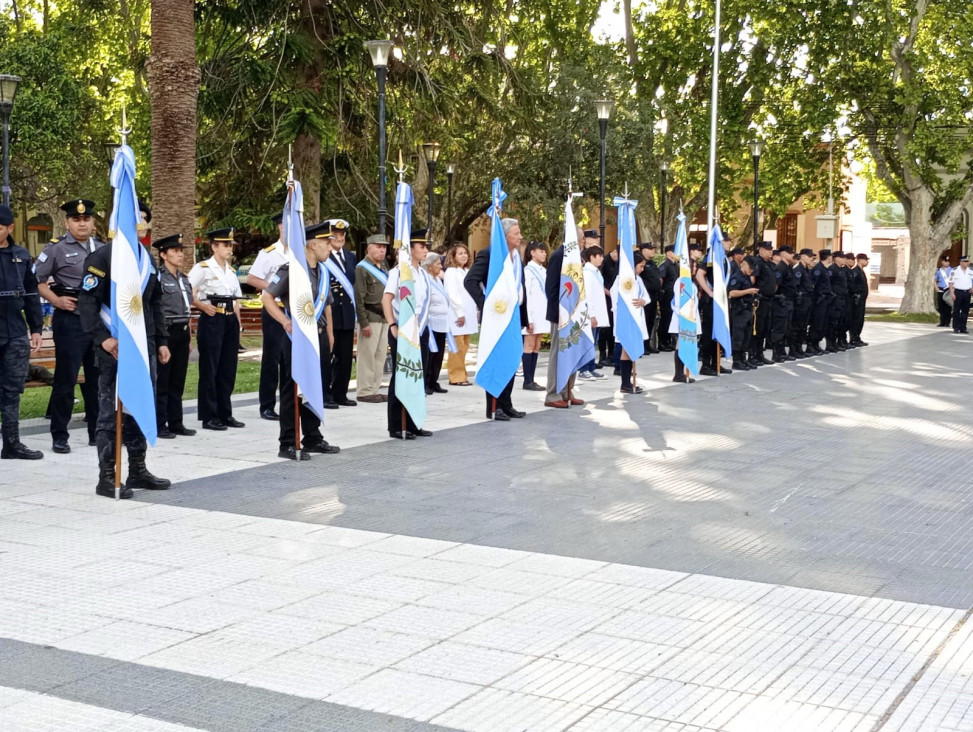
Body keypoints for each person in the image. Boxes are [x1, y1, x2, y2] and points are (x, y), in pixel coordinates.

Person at [77, 235, 171, 498]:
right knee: (109, 413)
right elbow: (87, 302)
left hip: (144, 347)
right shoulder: (102, 258)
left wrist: (162, 340)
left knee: (138, 406)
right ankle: (107, 477)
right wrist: (102, 338)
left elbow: (154, 302)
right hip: (113, 347)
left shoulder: (144, 258)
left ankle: (138, 470)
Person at [261, 221, 341, 459]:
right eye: (327, 242)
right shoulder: (291, 270)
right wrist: (284, 322)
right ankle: (287, 442)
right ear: (313, 244)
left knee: (316, 386)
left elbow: (326, 306)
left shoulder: (323, 271)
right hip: (296, 338)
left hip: (319, 336)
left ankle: (313, 437)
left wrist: (330, 334)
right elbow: (267, 297)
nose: (331, 246)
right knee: (291, 390)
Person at [34, 199, 104, 454]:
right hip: (70, 319)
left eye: (86, 219)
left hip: (96, 320)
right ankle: (59, 436)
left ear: (93, 221)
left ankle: (98, 432)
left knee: (97, 381)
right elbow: (37, 280)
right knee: (66, 379)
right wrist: (56, 301)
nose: (82, 223)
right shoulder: (56, 249)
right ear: (67, 223)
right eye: (76, 219)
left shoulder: (103, 248)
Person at [465, 220, 527, 421]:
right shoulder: (489, 254)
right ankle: (493, 406)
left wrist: (524, 317)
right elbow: (470, 281)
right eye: (516, 233)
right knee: (496, 359)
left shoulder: (517, 257)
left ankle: (506, 403)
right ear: (504, 236)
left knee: (510, 359)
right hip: (496, 318)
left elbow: (518, 289)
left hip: (513, 318)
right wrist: (486, 305)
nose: (520, 237)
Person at [187, 228, 245, 431]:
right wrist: (202, 306)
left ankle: (225, 413)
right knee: (210, 368)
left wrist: (238, 326)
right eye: (226, 245)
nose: (230, 248)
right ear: (214, 247)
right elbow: (187, 291)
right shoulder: (202, 268)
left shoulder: (230, 270)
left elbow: (236, 301)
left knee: (228, 369)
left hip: (229, 320)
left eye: (231, 245)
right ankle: (209, 415)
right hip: (212, 319)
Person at [0, 205, 44, 460]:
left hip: (15, 331)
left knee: (12, 389)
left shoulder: (21, 256)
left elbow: (31, 294)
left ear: (9, 228)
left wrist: (36, 327)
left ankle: (12, 443)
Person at [382, 230, 434, 439]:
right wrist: (392, 324)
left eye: (425, 246)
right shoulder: (399, 272)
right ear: (410, 249)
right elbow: (387, 299)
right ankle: (396, 425)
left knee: (418, 376)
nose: (425, 250)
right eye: (421, 246)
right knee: (402, 374)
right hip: (402, 330)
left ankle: (413, 422)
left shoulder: (423, 273)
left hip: (420, 330)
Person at [155, 234, 196, 438]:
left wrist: (189, 336)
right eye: (175, 251)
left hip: (182, 330)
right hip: (166, 331)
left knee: (178, 380)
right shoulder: (158, 277)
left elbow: (187, 308)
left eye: (181, 251)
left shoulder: (183, 278)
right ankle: (160, 423)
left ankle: (176, 422)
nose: (180, 255)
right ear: (163, 254)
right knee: (163, 379)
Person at [247, 212, 288, 420]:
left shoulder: (301, 252)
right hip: (275, 307)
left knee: (291, 358)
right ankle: (267, 405)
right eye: (286, 225)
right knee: (272, 358)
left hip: (295, 309)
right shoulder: (269, 253)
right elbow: (252, 278)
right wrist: (275, 288)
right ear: (280, 227)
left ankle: (290, 402)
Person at [544, 226, 586, 408]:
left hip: (574, 313)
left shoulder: (575, 258)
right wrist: (560, 311)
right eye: (582, 238)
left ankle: (567, 389)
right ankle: (553, 393)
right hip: (560, 314)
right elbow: (551, 288)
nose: (584, 242)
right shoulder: (558, 256)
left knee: (572, 351)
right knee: (557, 354)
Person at [324, 219, 357, 408]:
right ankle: (325, 394)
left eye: (342, 235)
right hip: (331, 312)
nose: (339, 238)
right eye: (335, 235)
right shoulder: (324, 256)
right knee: (329, 355)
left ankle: (340, 393)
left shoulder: (350, 257)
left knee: (345, 357)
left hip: (346, 314)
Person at [354, 234, 390, 403]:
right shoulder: (362, 268)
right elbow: (359, 298)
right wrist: (364, 322)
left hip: (383, 318)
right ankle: (364, 390)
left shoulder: (382, 268)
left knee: (380, 355)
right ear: (369, 248)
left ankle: (374, 388)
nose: (382, 250)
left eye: (384, 247)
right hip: (370, 317)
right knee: (367, 356)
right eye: (378, 246)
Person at [611, 251, 649, 394]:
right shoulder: (620, 278)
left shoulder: (638, 280)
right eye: (640, 266)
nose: (642, 269)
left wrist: (643, 301)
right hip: (625, 318)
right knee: (626, 349)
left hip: (637, 318)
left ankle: (628, 382)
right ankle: (625, 383)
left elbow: (646, 296)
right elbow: (615, 298)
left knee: (630, 350)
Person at [443, 243, 478, 387]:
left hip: (468, 313)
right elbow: (453, 294)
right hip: (457, 314)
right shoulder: (451, 272)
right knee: (457, 346)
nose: (464, 255)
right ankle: (456, 376)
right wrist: (460, 313)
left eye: (465, 253)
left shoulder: (466, 271)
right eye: (460, 253)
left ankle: (462, 374)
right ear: (453, 256)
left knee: (464, 346)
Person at [421, 252, 449, 395]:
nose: (440, 266)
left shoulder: (438, 279)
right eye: (438, 264)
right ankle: (425, 382)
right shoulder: (425, 279)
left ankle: (434, 381)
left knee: (439, 355)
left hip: (442, 322)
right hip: (430, 322)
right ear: (429, 266)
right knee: (429, 355)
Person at [521, 241, 548, 391]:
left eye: (545, 251)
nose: (544, 253)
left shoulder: (543, 270)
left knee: (537, 346)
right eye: (541, 251)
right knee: (529, 345)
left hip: (541, 312)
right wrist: (528, 318)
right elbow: (528, 296)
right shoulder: (528, 271)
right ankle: (527, 380)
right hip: (532, 313)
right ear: (532, 252)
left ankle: (532, 378)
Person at [579, 245, 608, 379]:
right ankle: (584, 369)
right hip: (591, 313)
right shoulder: (586, 273)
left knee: (593, 342)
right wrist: (592, 315)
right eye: (599, 256)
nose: (601, 259)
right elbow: (588, 295)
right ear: (592, 257)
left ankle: (591, 367)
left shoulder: (596, 272)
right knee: (588, 341)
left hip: (598, 310)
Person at [728, 256, 758, 371]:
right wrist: (748, 291)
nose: (751, 271)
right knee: (739, 336)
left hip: (748, 310)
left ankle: (743, 359)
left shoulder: (746, 277)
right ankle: (736, 361)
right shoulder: (737, 277)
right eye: (750, 268)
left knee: (747, 335)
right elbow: (732, 292)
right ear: (744, 264)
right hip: (739, 311)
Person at [751, 242, 777, 366]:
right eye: (767, 250)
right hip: (760, 300)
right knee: (757, 328)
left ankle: (759, 354)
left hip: (769, 299)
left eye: (770, 250)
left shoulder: (769, 264)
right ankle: (753, 355)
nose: (770, 252)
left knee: (765, 328)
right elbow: (753, 280)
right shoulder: (757, 262)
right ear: (760, 250)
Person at [771, 246, 797, 363]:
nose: (792, 255)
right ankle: (776, 353)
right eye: (790, 253)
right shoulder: (780, 268)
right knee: (779, 329)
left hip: (788, 302)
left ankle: (782, 352)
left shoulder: (788, 267)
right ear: (783, 254)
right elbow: (775, 286)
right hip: (781, 302)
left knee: (786, 328)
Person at [594, 232, 616, 367]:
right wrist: (609, 293)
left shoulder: (617, 263)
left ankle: (611, 354)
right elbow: (599, 284)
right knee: (603, 330)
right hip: (604, 298)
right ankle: (602, 355)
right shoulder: (604, 263)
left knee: (610, 327)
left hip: (612, 298)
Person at [789, 248, 816, 358]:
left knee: (804, 326)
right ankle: (793, 349)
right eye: (809, 257)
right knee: (797, 326)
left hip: (808, 301)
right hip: (801, 302)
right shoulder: (798, 270)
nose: (811, 259)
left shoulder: (807, 270)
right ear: (803, 256)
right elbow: (795, 286)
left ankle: (799, 348)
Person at [808, 249, 833, 354]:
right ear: (828, 257)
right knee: (817, 322)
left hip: (825, 299)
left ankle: (816, 343)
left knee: (822, 323)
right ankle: (811, 344)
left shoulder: (824, 268)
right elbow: (813, 284)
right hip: (820, 300)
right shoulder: (818, 269)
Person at [638, 242, 662, 353]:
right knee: (645, 320)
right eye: (650, 249)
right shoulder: (640, 262)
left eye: (653, 249)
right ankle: (642, 345)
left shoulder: (652, 263)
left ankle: (647, 345)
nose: (653, 251)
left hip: (653, 296)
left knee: (651, 321)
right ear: (643, 251)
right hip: (644, 296)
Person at [658, 244, 679, 351]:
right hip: (667, 294)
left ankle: (669, 341)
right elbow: (661, 279)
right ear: (668, 253)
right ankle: (663, 342)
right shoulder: (665, 265)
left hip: (674, 294)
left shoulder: (675, 265)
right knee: (666, 318)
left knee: (671, 318)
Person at [828, 251, 850, 351]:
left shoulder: (841, 270)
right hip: (835, 299)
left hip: (842, 299)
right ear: (836, 258)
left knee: (840, 321)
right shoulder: (832, 269)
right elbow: (828, 284)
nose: (844, 259)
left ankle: (837, 342)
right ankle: (830, 343)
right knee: (833, 322)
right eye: (842, 257)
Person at [848, 253, 870, 347]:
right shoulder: (855, 271)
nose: (867, 262)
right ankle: (853, 337)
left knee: (860, 319)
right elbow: (852, 286)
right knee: (856, 319)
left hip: (862, 299)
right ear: (860, 260)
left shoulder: (861, 271)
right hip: (857, 300)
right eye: (865, 259)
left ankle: (857, 337)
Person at [949, 256, 972, 334]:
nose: (967, 263)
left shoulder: (970, 271)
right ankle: (956, 327)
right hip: (958, 291)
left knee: (965, 310)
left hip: (967, 292)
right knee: (957, 310)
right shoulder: (954, 271)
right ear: (961, 262)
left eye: (967, 261)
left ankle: (963, 327)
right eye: (965, 261)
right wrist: (952, 292)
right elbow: (951, 282)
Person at [936, 254, 954, 327]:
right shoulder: (939, 271)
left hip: (948, 289)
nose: (947, 263)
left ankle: (947, 322)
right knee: (941, 306)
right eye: (945, 261)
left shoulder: (952, 270)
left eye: (948, 261)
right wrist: (937, 289)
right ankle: (942, 322)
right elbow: (935, 280)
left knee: (948, 307)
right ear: (942, 262)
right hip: (941, 288)